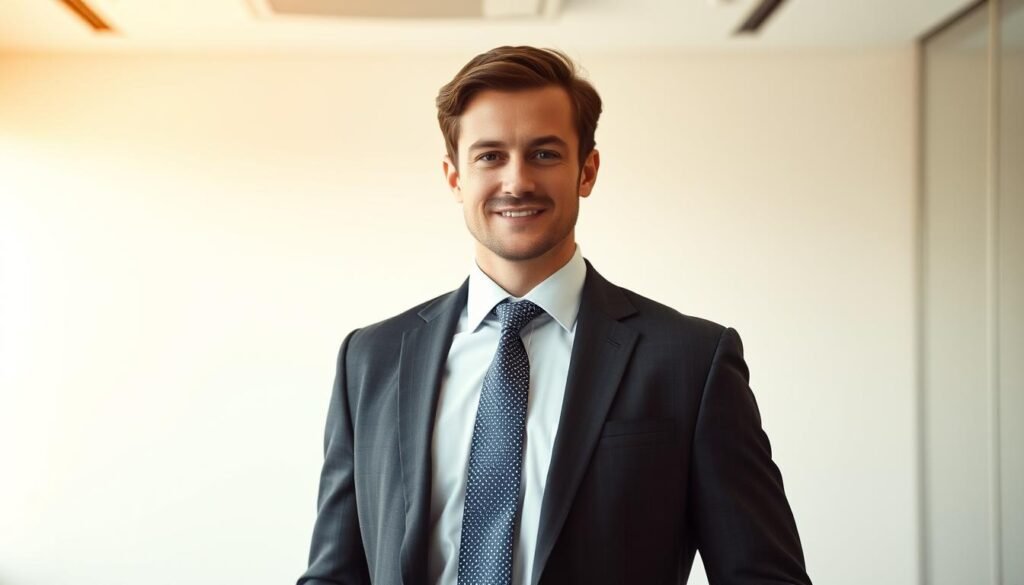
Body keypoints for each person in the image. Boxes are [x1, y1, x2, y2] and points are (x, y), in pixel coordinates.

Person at [297, 46, 812, 585]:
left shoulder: (691, 362)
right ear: (454, 178)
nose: (516, 181)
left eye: (543, 154)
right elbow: (334, 573)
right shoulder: (372, 359)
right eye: (489, 156)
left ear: (586, 170)